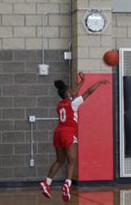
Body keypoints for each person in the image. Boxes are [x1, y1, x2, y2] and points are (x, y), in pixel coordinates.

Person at [39, 73, 108, 202]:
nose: (73, 92)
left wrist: (82, 81)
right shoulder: (73, 104)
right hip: (68, 133)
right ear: (68, 94)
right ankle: (67, 184)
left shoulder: (59, 105)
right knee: (72, 161)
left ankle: (46, 183)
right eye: (70, 91)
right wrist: (98, 83)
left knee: (59, 161)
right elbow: (88, 92)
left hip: (58, 133)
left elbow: (73, 92)